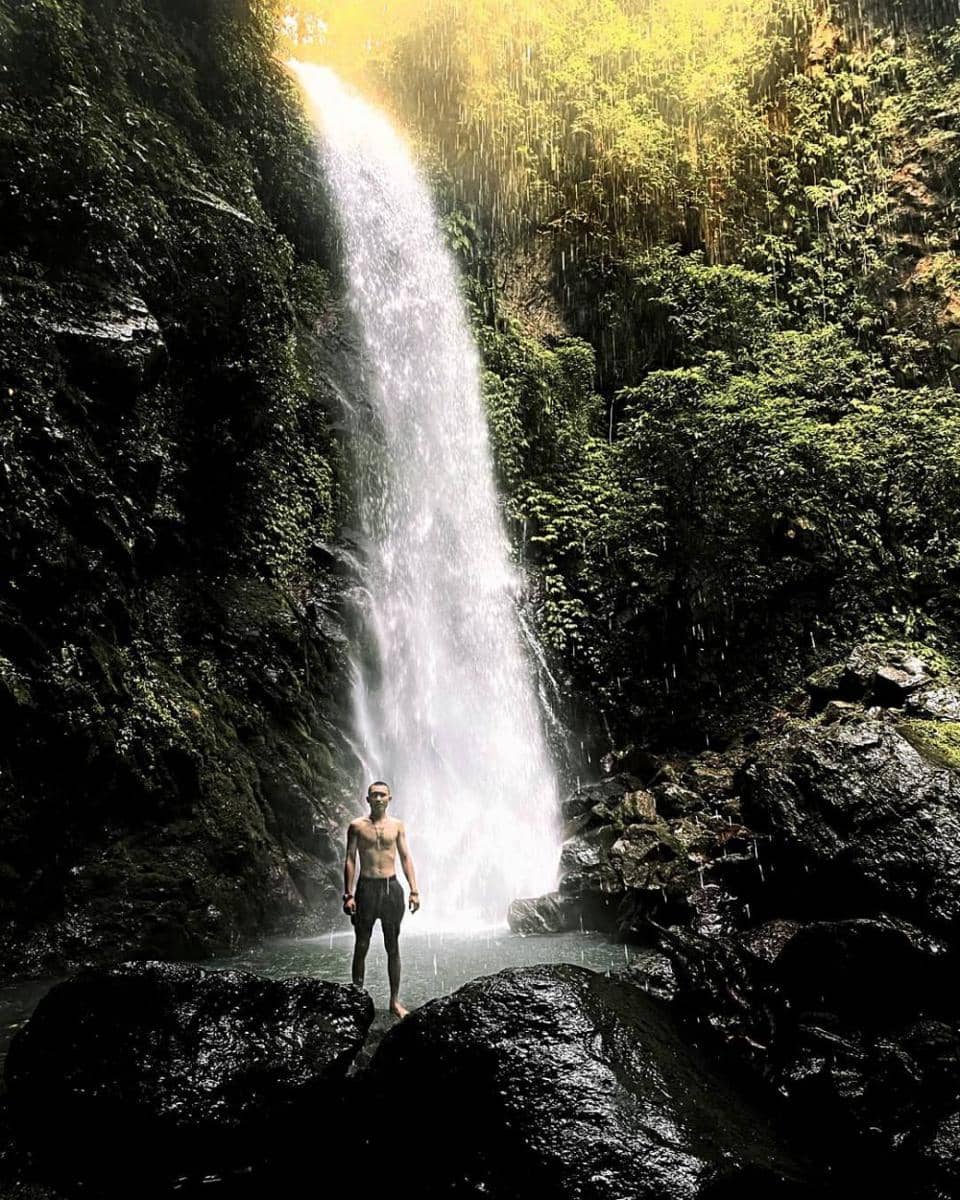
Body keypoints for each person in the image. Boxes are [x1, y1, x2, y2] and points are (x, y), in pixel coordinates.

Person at [343, 780, 420, 1019]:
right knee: (361, 944)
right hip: (366, 889)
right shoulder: (356, 826)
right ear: (367, 799)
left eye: (382, 795)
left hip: (391, 888)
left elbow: (406, 857)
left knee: (392, 946)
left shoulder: (397, 826)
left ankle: (394, 1001)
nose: (378, 799)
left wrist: (414, 890)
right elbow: (350, 859)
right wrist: (348, 894)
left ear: (389, 799)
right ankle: (357, 997)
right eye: (373, 795)